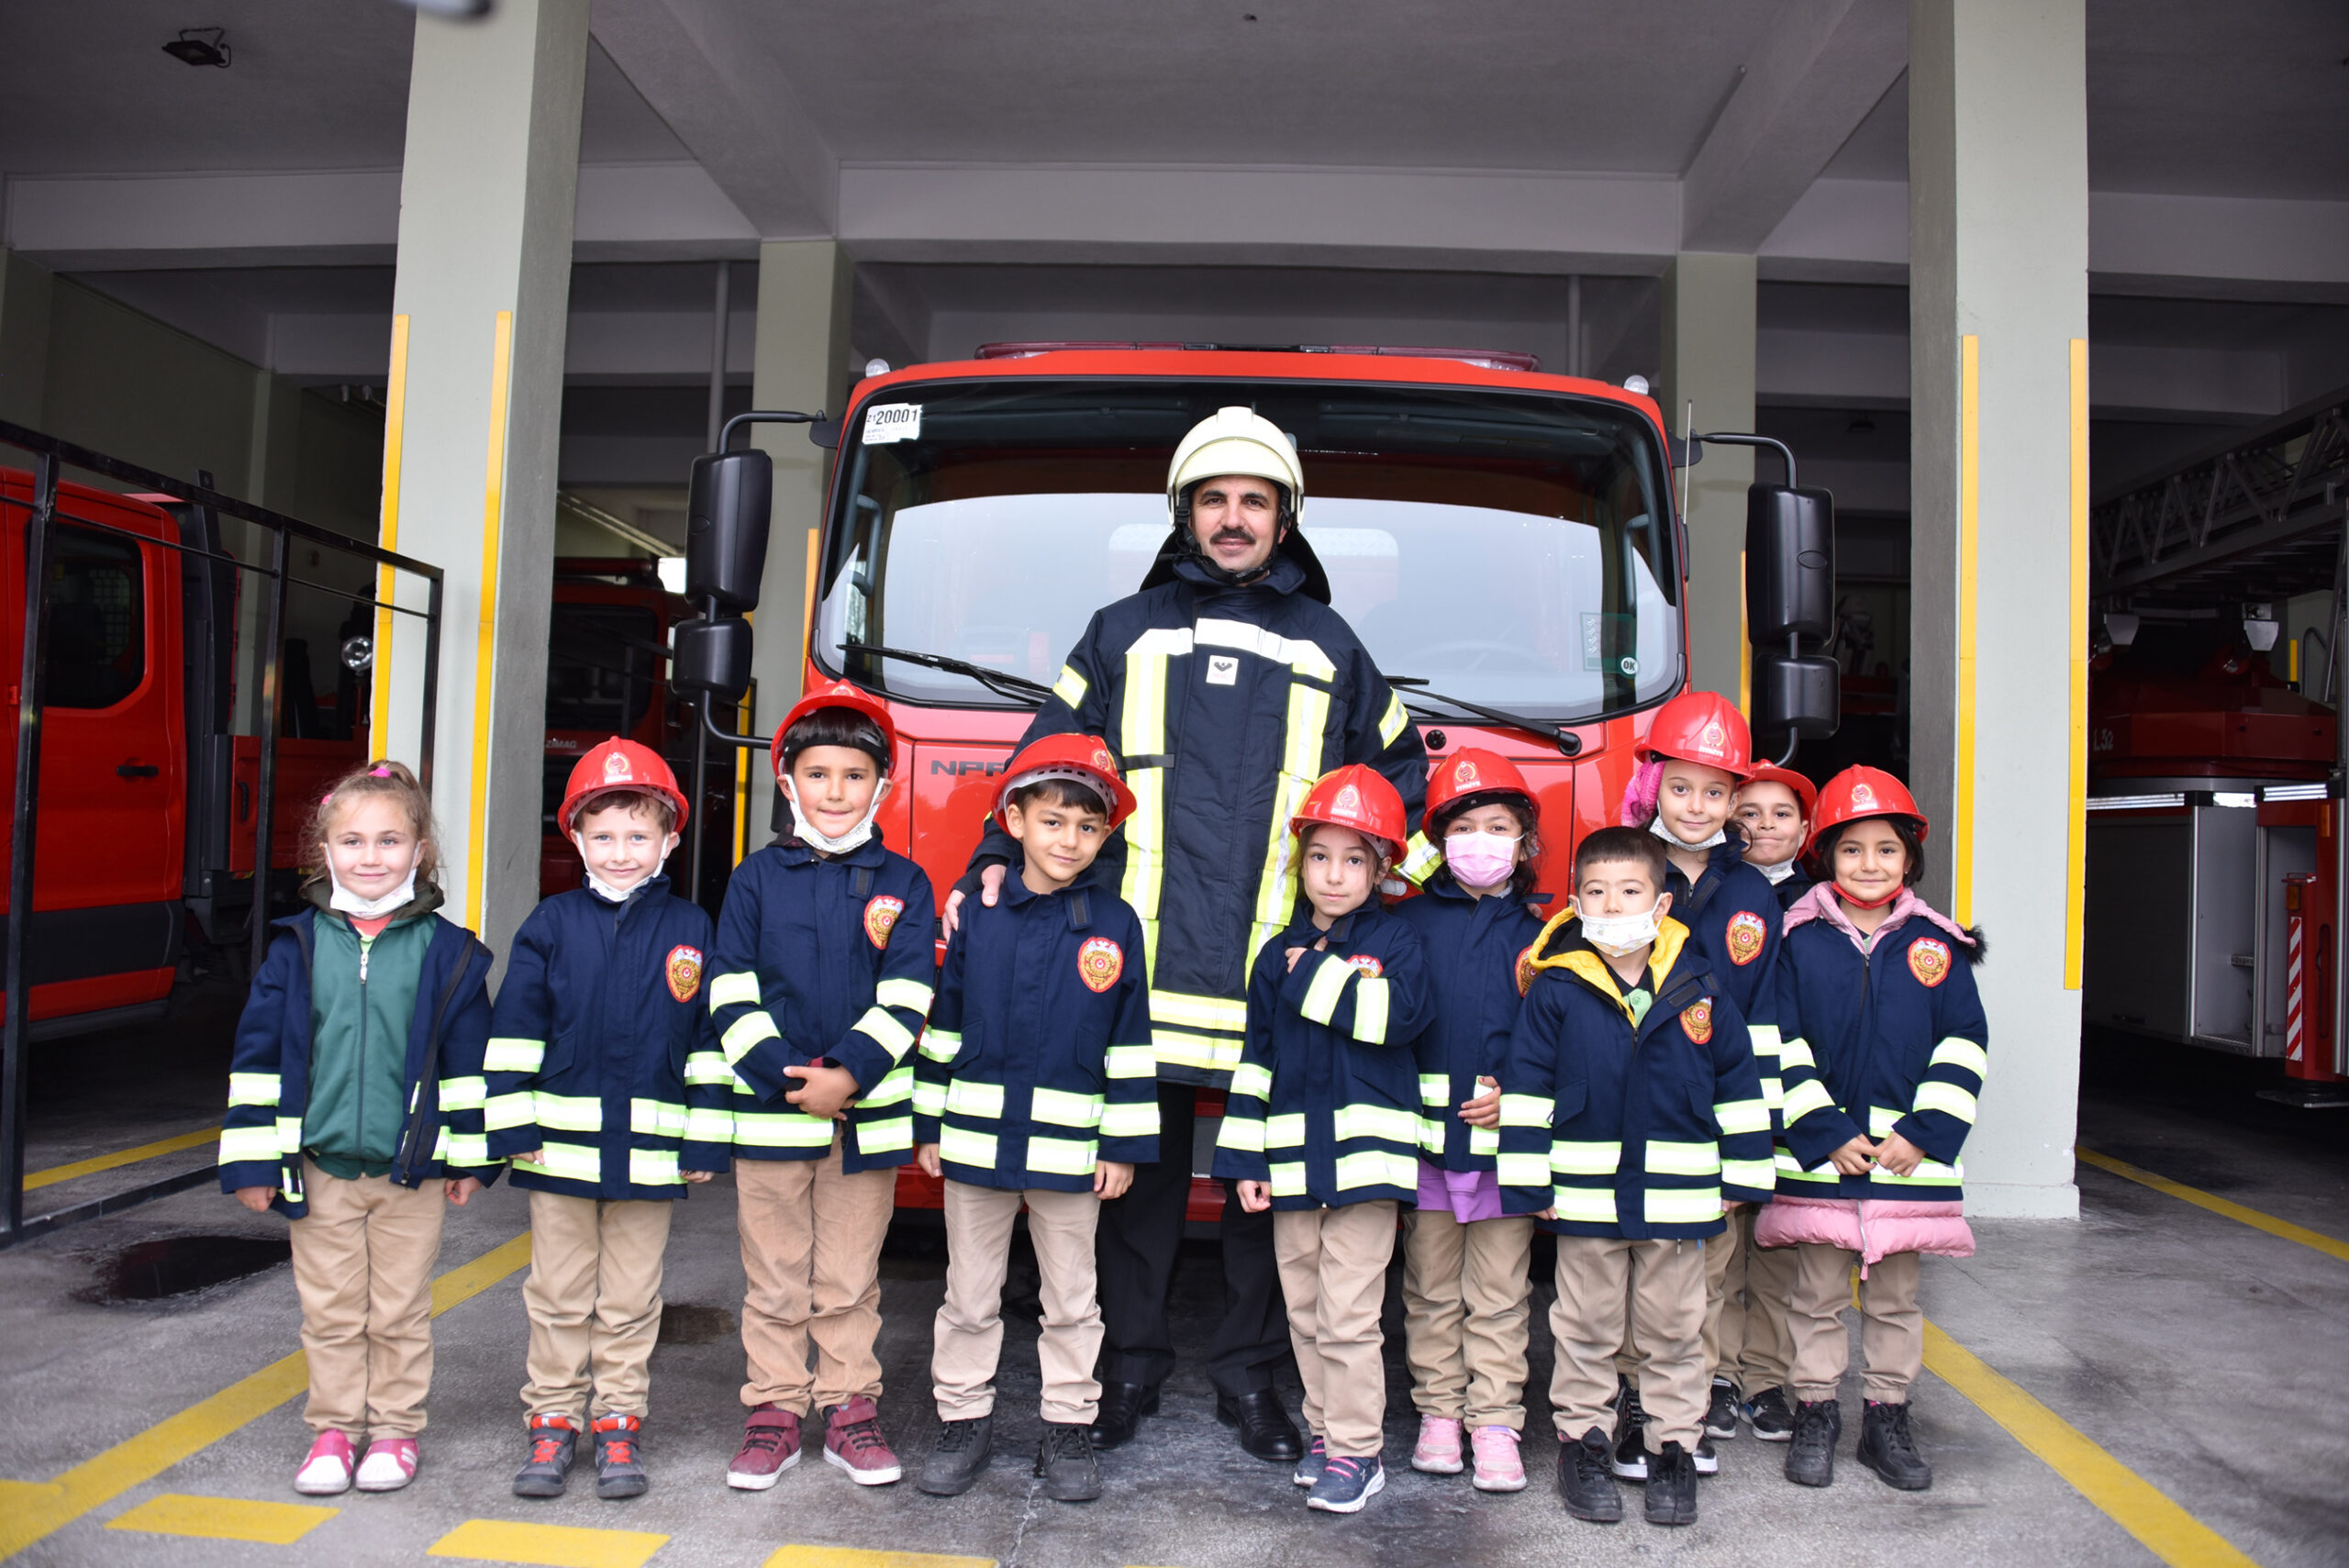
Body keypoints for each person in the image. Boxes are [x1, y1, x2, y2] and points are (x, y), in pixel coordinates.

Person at [944, 406, 1429, 1462]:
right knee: (1131, 1181)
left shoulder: (1332, 645)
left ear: (1286, 516)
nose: (1233, 518)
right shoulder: (1121, 628)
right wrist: (993, 859)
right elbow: (1045, 760)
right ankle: (1128, 1369)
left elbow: (1401, 782)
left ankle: (1251, 1377)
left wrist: (1392, 900)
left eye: (1254, 500)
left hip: (1277, 975)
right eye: (1213, 499)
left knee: (1268, 1184)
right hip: (1140, 970)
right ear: (1183, 513)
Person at [217, 761, 496, 1497]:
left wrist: (468, 1156)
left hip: (413, 1171)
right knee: (332, 1310)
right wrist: (252, 1162)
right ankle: (334, 1429)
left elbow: (469, 1066)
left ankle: (397, 1430)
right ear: (325, 852)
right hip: (320, 1167)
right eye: (352, 841)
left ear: (419, 852)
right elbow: (257, 1058)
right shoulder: (295, 946)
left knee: (400, 1310)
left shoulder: (451, 952)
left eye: (388, 840)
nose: (370, 857)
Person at [1498, 827, 1775, 1529]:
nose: (1612, 904)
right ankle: (1583, 1442)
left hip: (1679, 1198)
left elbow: (1738, 1082)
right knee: (1584, 1325)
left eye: (1630, 891)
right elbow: (1527, 1087)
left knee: (1678, 1328)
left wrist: (1745, 1170)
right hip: (1585, 1197)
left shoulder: (1700, 982)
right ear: (1575, 900)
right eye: (1596, 891)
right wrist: (1531, 1184)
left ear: (1661, 905)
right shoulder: (1557, 986)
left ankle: (1672, 1447)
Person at [912, 736, 1158, 1504]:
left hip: (1070, 1152)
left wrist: (1120, 1141)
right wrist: (928, 1123)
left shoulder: (1116, 924)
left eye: (1089, 827)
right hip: (977, 1144)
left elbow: (1128, 1042)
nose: (1069, 840)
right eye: (1053, 820)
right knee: (969, 1295)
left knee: (1073, 1299)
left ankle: (1068, 1425)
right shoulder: (978, 915)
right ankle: (964, 1420)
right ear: (1013, 819)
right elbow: (943, 1024)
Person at [485, 740, 734, 1501]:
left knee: (630, 1298)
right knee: (558, 1294)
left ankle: (619, 1420)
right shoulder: (549, 924)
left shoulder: (693, 926)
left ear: (670, 839)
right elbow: (515, 1031)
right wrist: (512, 1128)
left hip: (651, 1158)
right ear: (576, 837)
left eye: (637, 836)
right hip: (557, 1156)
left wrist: (703, 1131)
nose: (620, 852)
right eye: (603, 835)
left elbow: (708, 1042)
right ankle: (554, 1422)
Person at [708, 681, 939, 1491]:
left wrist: (847, 1074)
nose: (834, 791)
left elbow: (909, 992)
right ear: (786, 782)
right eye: (817, 774)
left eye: (852, 775)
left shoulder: (905, 882)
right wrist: (786, 1076)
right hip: (769, 1117)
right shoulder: (752, 880)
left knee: (848, 1276)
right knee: (774, 1275)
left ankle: (849, 1409)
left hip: (864, 1122)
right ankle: (774, 1411)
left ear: (882, 785)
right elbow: (728, 988)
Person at [1215, 765, 1434, 1514]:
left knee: (1347, 1313)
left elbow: (1398, 1020)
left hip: (1367, 1167)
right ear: (1298, 862)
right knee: (1304, 1308)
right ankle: (1325, 1430)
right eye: (1319, 856)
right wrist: (1246, 1157)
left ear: (1382, 869)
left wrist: (1316, 977)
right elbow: (1258, 1063)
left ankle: (1357, 1450)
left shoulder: (1398, 943)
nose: (1333, 874)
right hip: (1291, 1161)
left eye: (1352, 859)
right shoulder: (1273, 955)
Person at [1765, 767, 1986, 1493]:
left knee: (1896, 1299)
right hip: (1825, 1160)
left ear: (1910, 859)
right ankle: (1817, 1411)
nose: (1869, 864)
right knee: (1816, 1297)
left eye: (1885, 849)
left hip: (1903, 1167)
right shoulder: (1795, 940)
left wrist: (1923, 1133)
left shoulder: (1938, 944)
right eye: (1851, 848)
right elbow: (1778, 1039)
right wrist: (1822, 1127)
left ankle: (1888, 1415)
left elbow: (1964, 1042)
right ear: (1823, 855)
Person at [1616, 691, 1786, 1463]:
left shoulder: (1754, 892)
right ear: (1655, 782)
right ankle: (1626, 1394)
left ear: (1736, 798)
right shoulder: (1621, 867)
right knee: (1622, 1265)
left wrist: (1752, 1139)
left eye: (1716, 791)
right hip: (1624, 1108)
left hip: (1711, 1122)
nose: (1696, 805)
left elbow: (1766, 1022)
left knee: (1702, 1268)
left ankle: (1686, 1399)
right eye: (1680, 787)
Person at [1388, 749, 1546, 1492]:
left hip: (1507, 1154)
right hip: (1427, 1149)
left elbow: (1562, 1035)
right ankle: (1439, 1413)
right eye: (1466, 826)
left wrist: (1516, 1092)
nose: (1481, 841)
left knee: (1501, 1293)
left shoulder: (1551, 935)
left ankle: (1495, 1420)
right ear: (1439, 839)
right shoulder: (1405, 924)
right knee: (1430, 1288)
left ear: (1525, 843)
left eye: (1499, 826)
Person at [1733, 765, 1818, 911]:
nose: (1767, 824)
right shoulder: (1709, 889)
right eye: (1750, 814)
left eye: (1781, 814)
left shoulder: (1821, 903)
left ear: (1803, 832)